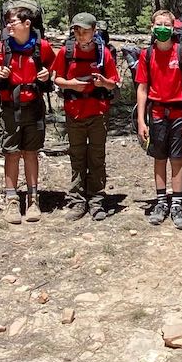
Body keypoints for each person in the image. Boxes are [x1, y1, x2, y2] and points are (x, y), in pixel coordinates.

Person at [0, 3, 55, 223]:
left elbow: (54, 65)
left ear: (27, 23)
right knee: (11, 152)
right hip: (10, 106)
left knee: (31, 152)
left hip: (33, 105)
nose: (8, 25)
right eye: (7, 22)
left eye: (12, 21)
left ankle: (33, 199)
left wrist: (46, 73)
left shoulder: (42, 46)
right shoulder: (2, 47)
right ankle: (12, 200)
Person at [52, 12, 119, 221]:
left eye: (86, 32)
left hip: (98, 112)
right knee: (77, 156)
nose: (81, 36)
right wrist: (72, 85)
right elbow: (58, 80)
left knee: (97, 157)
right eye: (77, 32)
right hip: (75, 112)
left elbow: (113, 82)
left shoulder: (103, 53)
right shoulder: (66, 52)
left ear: (94, 32)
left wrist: (102, 83)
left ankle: (97, 200)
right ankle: (77, 200)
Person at [136, 8, 182, 229]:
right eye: (158, 24)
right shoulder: (147, 54)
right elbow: (142, 88)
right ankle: (161, 201)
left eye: (166, 24)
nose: (162, 28)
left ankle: (177, 203)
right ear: (152, 27)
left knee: (178, 158)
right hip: (156, 113)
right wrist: (141, 120)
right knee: (159, 157)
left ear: (173, 28)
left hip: (179, 113)